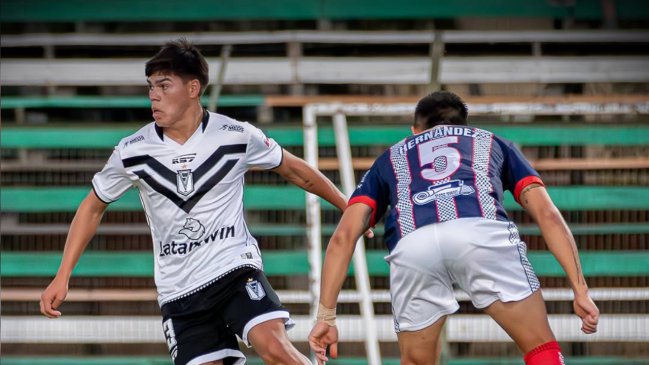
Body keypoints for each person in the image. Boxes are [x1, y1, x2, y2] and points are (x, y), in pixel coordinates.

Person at [40, 38, 348, 365]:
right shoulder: (132, 151)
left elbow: (295, 170)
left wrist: (347, 206)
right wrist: (63, 274)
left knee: (275, 349)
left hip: (233, 269)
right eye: (150, 87)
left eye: (163, 85)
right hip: (179, 291)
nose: (153, 95)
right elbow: (92, 206)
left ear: (193, 88)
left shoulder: (236, 135)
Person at [308, 91, 600, 365]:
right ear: (464, 124)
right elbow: (547, 214)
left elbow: (343, 237)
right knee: (541, 348)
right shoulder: (492, 142)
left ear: (414, 129)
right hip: (480, 232)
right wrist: (580, 289)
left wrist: (327, 316)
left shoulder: (390, 157)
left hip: (413, 245)